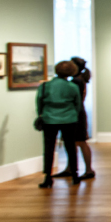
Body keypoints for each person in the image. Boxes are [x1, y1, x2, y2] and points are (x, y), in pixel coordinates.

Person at [36, 60, 83, 188]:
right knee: (70, 147)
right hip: (69, 119)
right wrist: (73, 114)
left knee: (49, 148)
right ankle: (75, 175)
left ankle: (48, 177)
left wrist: (41, 114)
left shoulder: (45, 86)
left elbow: (39, 103)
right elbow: (78, 104)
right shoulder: (72, 86)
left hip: (49, 119)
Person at [54, 56, 95, 180]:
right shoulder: (79, 80)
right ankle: (71, 168)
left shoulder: (75, 82)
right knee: (75, 142)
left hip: (76, 114)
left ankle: (87, 170)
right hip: (77, 113)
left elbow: (73, 100)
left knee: (80, 142)